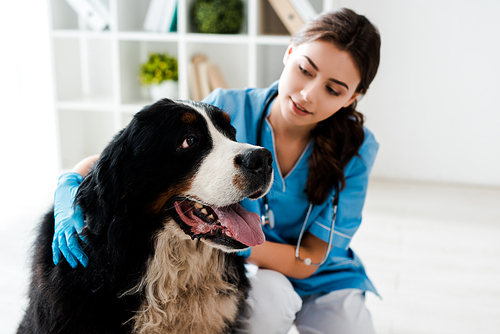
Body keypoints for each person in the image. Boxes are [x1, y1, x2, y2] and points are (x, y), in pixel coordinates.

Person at [52, 8, 381, 334]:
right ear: (290, 52)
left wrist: (235, 234)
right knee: (266, 305)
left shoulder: (357, 148)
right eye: (305, 70)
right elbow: (137, 158)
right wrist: (68, 186)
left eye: (333, 89)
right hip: (257, 270)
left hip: (322, 274)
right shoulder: (227, 108)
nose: (308, 94)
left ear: (354, 97)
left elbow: (309, 258)